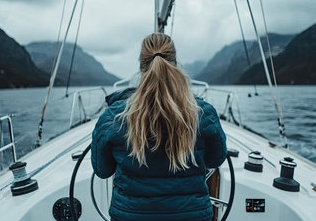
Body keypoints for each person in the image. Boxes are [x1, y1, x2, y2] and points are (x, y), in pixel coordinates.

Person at [91, 33, 227, 221]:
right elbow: (215, 159)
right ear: (175, 63)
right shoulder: (203, 114)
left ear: (141, 66)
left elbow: (103, 170)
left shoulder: (113, 117)